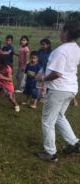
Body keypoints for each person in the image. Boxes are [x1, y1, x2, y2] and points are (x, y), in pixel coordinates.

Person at [35, 21, 80, 162]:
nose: (60, 32)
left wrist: (42, 79)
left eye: (61, 30)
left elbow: (57, 74)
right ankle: (74, 143)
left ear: (66, 32)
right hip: (71, 89)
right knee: (60, 116)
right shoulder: (77, 48)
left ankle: (51, 153)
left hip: (58, 90)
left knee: (47, 121)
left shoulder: (61, 51)